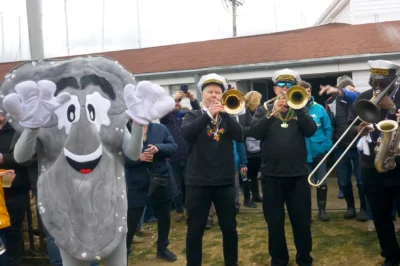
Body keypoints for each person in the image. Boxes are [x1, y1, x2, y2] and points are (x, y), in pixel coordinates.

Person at [248, 68, 316, 266]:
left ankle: (304, 259)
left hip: (298, 175)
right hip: (271, 176)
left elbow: (310, 131)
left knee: (302, 222)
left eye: (289, 86)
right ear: (275, 88)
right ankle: (279, 260)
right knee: (275, 224)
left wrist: (300, 109)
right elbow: (255, 133)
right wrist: (272, 114)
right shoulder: (263, 109)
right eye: (281, 86)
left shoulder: (301, 106)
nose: (285, 90)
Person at [182, 73, 243, 266]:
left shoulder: (227, 117)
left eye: (218, 92)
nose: (214, 96)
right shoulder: (192, 115)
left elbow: (240, 136)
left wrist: (225, 114)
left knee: (230, 229)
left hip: (224, 182)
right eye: (210, 92)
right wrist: (208, 114)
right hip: (198, 183)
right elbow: (187, 134)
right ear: (202, 95)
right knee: (195, 231)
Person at [350, 59, 400, 266]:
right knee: (380, 214)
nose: (377, 87)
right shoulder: (363, 98)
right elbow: (350, 127)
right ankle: (390, 255)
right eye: (374, 82)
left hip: (398, 164)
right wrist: (358, 130)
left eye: (382, 82)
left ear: (394, 79)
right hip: (371, 165)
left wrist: (393, 106)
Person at [125, 121, 178, 262]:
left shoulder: (160, 128)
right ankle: (123, 252)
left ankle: (162, 249)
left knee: (164, 217)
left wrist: (158, 148)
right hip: (136, 183)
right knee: (131, 221)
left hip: (161, 179)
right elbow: (118, 158)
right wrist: (137, 158)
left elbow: (173, 147)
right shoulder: (124, 129)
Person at [320, 76, 368, 221]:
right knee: (344, 181)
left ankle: (364, 209)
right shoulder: (332, 103)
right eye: (344, 90)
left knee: (361, 180)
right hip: (341, 146)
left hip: (358, 145)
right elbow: (329, 124)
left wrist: (351, 93)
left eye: (350, 90)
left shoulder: (359, 100)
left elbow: (355, 97)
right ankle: (350, 207)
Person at [160, 87, 201, 222]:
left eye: (178, 103)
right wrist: (173, 100)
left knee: (190, 185)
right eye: (175, 104)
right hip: (173, 159)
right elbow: (162, 112)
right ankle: (179, 210)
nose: (177, 104)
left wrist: (193, 99)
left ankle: (190, 210)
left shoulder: (187, 116)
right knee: (176, 186)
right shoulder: (167, 119)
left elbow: (198, 112)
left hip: (189, 157)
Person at [301, 81, 333, 222]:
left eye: (308, 90)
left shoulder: (319, 108)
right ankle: (306, 213)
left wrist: (326, 145)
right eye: (303, 90)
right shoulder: (294, 108)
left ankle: (322, 211)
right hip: (302, 154)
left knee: (322, 182)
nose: (306, 93)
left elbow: (328, 129)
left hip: (320, 152)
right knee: (304, 185)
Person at [239, 91, 263, 207]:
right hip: (246, 149)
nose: (260, 104)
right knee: (246, 175)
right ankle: (247, 199)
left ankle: (256, 194)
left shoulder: (254, 112)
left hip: (255, 149)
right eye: (258, 101)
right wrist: (255, 129)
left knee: (253, 174)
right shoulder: (243, 112)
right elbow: (241, 129)